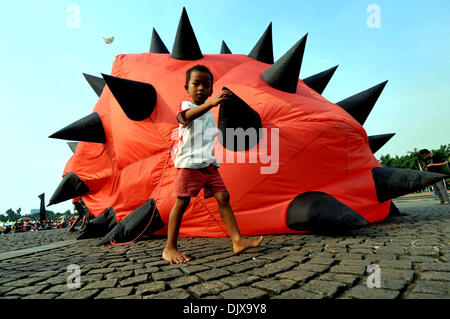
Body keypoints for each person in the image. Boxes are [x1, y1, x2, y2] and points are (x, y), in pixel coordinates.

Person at [162, 65, 263, 264]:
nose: (201, 88)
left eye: (206, 85)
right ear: (186, 87)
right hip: (189, 165)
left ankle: (237, 240)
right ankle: (169, 248)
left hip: (208, 164)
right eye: (196, 83)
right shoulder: (186, 107)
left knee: (223, 196)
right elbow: (186, 118)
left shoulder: (208, 115)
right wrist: (212, 104)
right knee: (182, 202)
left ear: (210, 90)